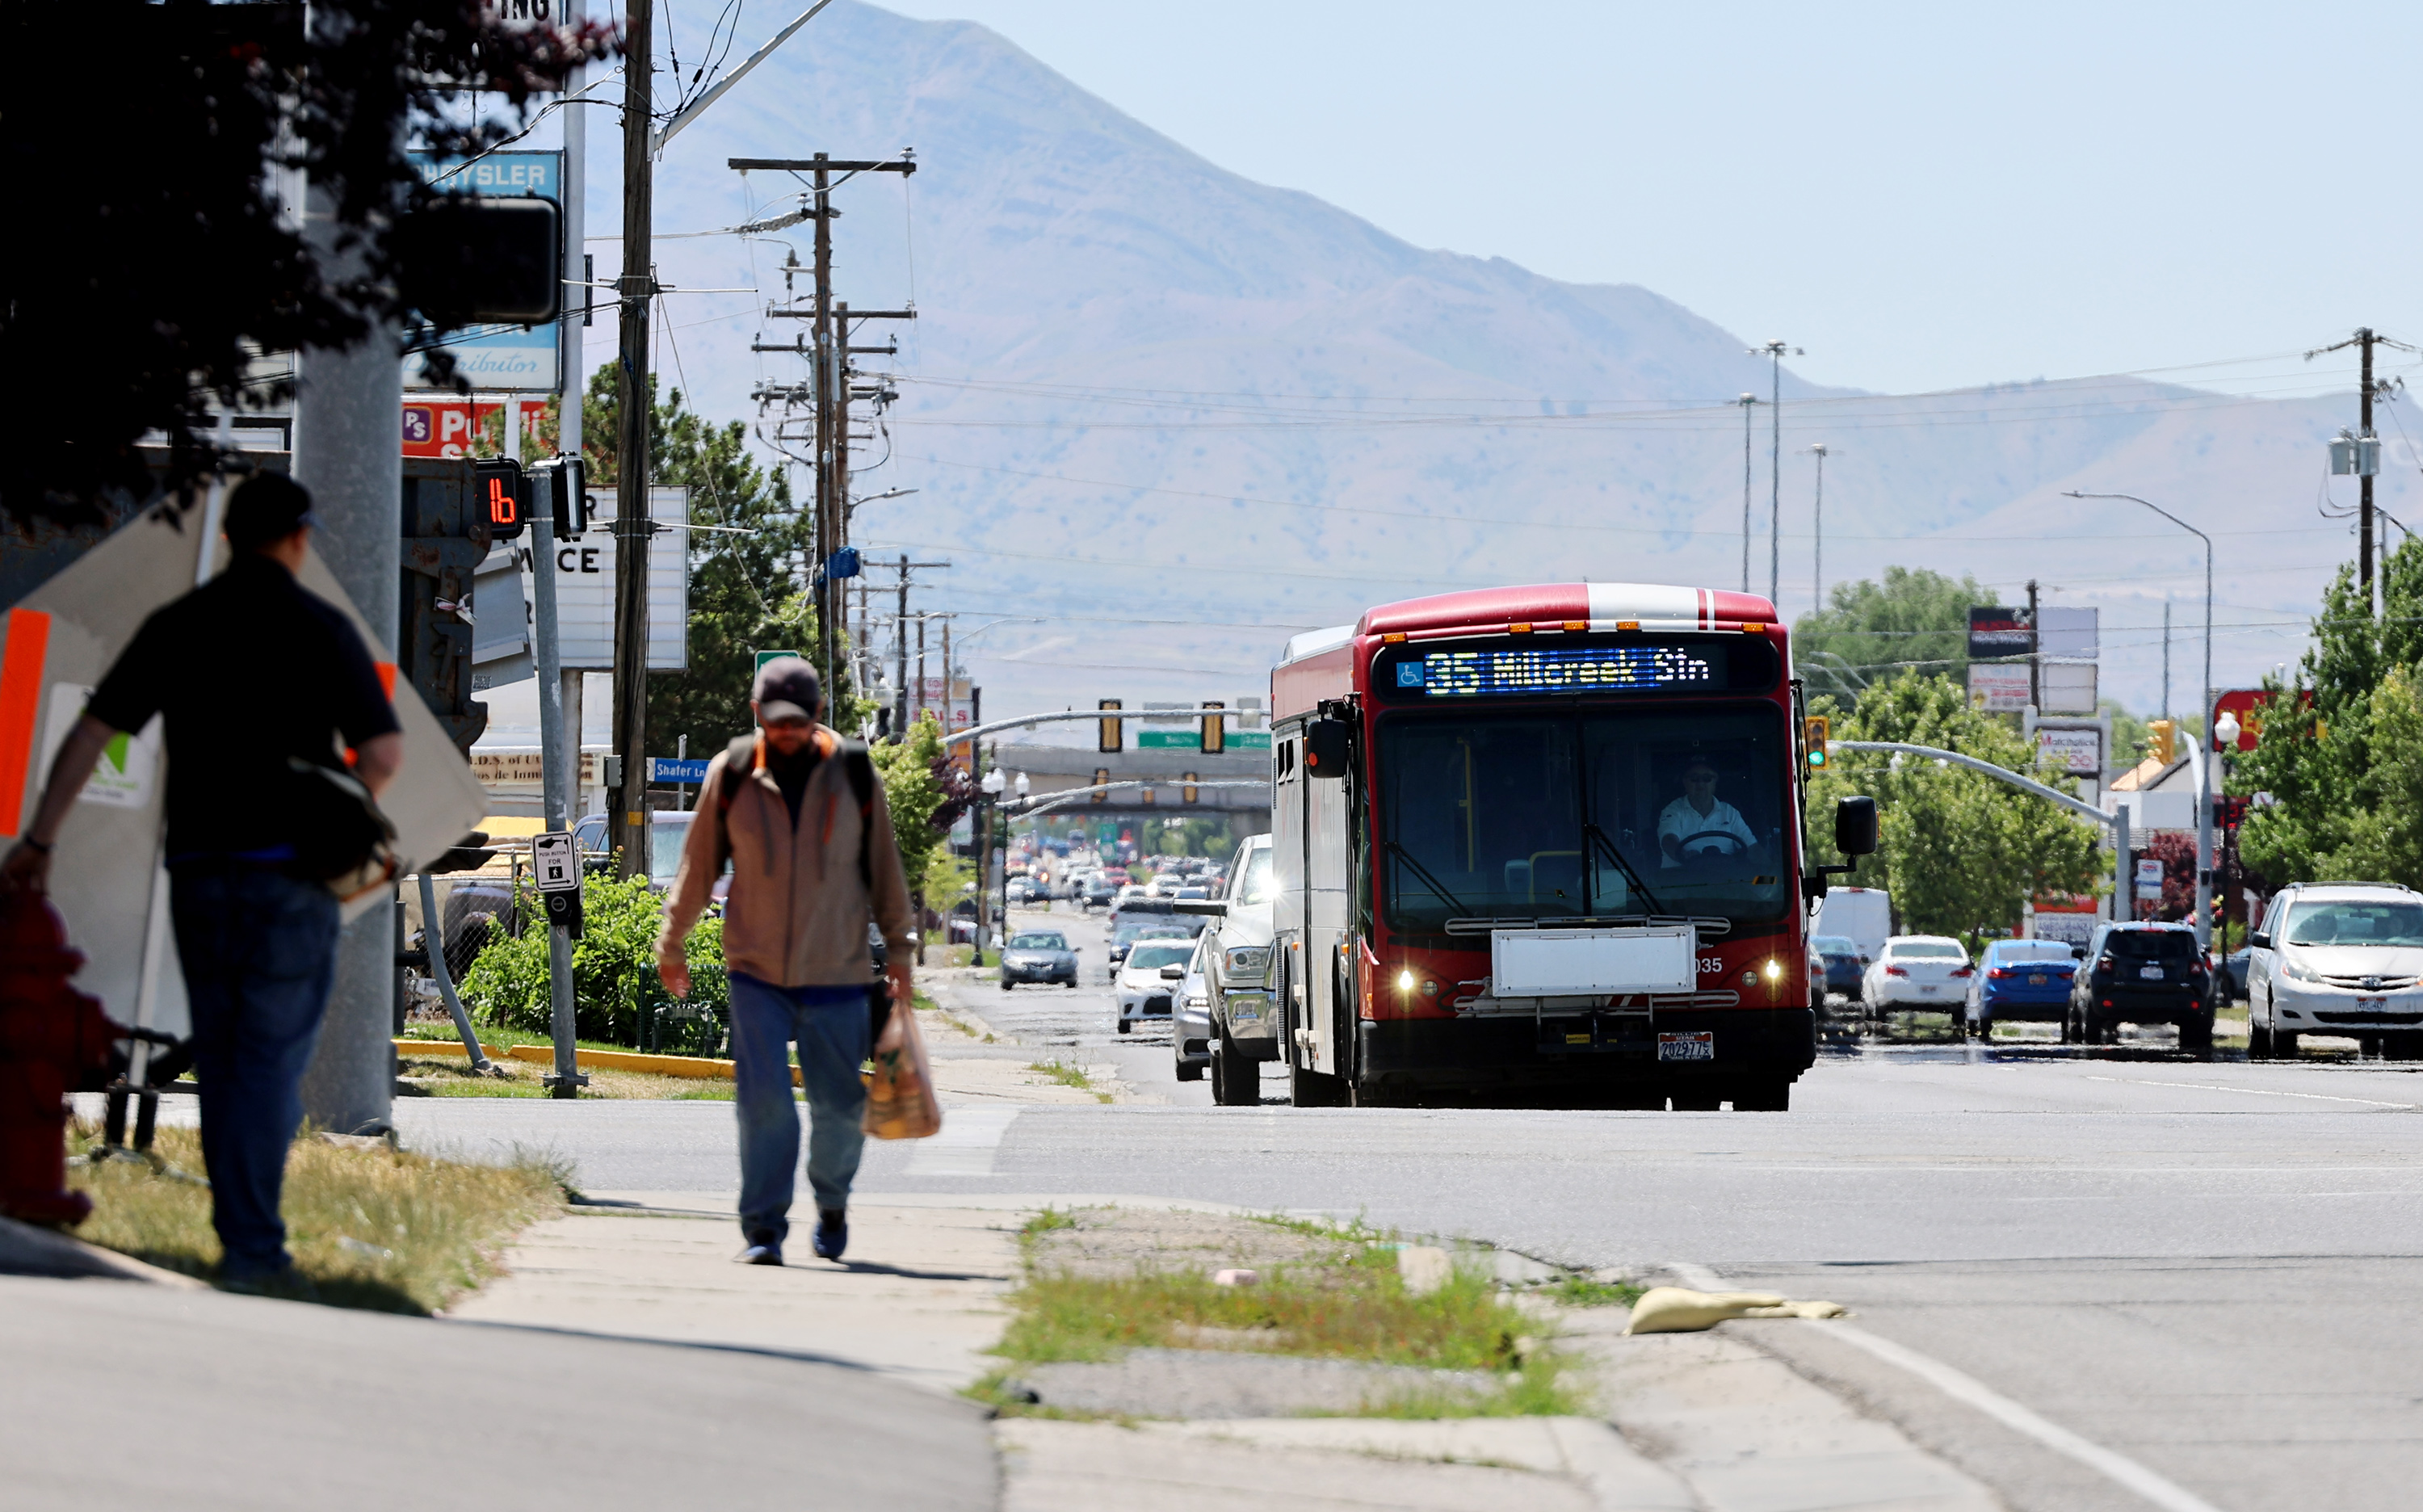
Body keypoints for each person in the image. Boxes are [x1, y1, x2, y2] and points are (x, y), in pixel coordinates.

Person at [0, 472, 403, 1286]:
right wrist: (341, 802)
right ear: (297, 537)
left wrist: (40, 838)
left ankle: (243, 1234)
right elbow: (386, 754)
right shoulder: (320, 627)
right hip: (293, 877)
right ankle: (254, 1245)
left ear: (227, 538)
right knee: (269, 1061)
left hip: (201, 874)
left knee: (222, 1057)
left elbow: (94, 733)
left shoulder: (179, 624)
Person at [657, 657, 913, 1266]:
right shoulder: (735, 773)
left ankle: (831, 1203)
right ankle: (763, 1230)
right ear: (756, 715)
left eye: (798, 722)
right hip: (756, 969)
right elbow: (698, 868)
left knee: (840, 1105)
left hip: (840, 970)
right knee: (763, 1101)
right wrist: (673, 941)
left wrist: (900, 950)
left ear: (818, 716)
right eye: (775, 722)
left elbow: (885, 869)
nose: (787, 732)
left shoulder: (852, 773)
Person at [1657, 756, 1755, 868]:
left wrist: (1770, 871)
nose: (1700, 784)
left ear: (1715, 780)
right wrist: (1684, 855)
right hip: (1682, 880)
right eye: (1694, 778)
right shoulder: (1673, 810)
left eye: (1707, 778)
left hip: (1726, 880)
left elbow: (1752, 847)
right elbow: (1668, 840)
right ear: (1684, 781)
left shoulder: (1730, 812)